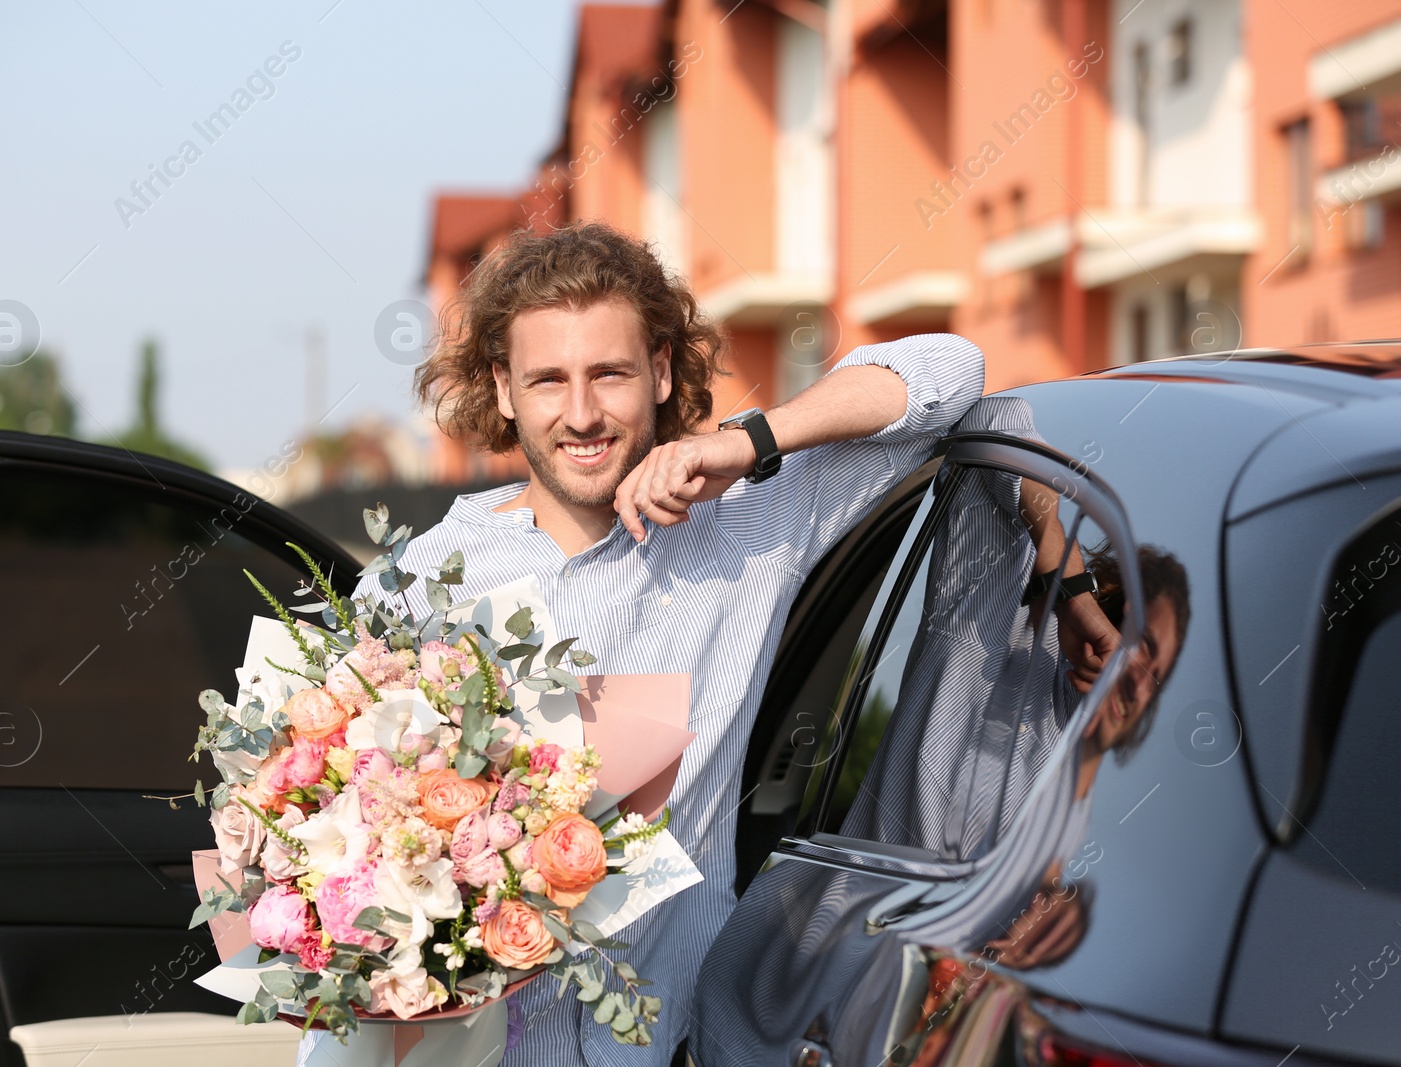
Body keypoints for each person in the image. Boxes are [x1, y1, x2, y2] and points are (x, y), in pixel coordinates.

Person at [351, 221, 985, 1065]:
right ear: (502, 389)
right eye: (548, 379)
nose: (581, 414)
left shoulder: (750, 524)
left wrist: (750, 441)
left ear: (658, 370)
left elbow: (953, 372)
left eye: (609, 373)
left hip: (677, 1044)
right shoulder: (420, 580)